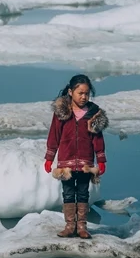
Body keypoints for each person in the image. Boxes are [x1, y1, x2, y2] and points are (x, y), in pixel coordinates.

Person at [44, 74, 108, 239]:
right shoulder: (62, 112)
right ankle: (69, 225)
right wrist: (50, 157)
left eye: (86, 93)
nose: (84, 97)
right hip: (66, 161)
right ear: (71, 92)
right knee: (68, 192)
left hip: (86, 162)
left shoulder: (94, 113)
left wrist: (100, 159)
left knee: (83, 192)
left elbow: (98, 139)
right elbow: (54, 135)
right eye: (80, 93)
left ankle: (82, 226)